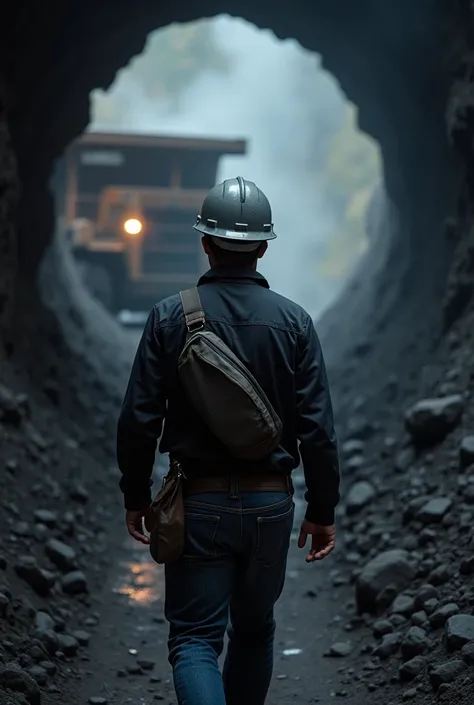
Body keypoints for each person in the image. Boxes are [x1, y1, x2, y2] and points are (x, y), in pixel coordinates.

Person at [117, 176, 340, 705]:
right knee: (255, 628)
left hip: (198, 503)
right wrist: (322, 509)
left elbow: (138, 419)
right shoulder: (295, 323)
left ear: (205, 242)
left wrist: (135, 497)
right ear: (263, 247)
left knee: (195, 638)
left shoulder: (170, 317)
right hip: (271, 503)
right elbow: (318, 429)